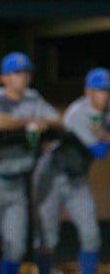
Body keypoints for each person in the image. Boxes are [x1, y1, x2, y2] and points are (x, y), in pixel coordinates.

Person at [0, 52, 60, 274]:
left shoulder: (33, 98)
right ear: (5, 77)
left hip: (18, 184)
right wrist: (29, 122)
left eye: (26, 73)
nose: (22, 78)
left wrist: (43, 122)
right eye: (16, 73)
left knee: (16, 246)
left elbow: (57, 119)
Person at [32, 67, 110, 274]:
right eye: (100, 90)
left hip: (77, 179)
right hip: (52, 174)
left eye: (108, 90)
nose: (105, 95)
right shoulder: (78, 112)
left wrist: (107, 135)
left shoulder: (107, 112)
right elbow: (99, 150)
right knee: (48, 238)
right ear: (88, 91)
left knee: (91, 235)